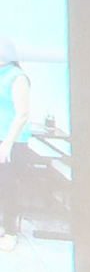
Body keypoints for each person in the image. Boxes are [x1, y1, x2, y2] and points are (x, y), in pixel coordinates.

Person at [0, 38, 31, 253]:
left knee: (8, 187)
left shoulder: (17, 77)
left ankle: (11, 233)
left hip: (12, 141)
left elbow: (23, 114)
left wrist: (7, 144)